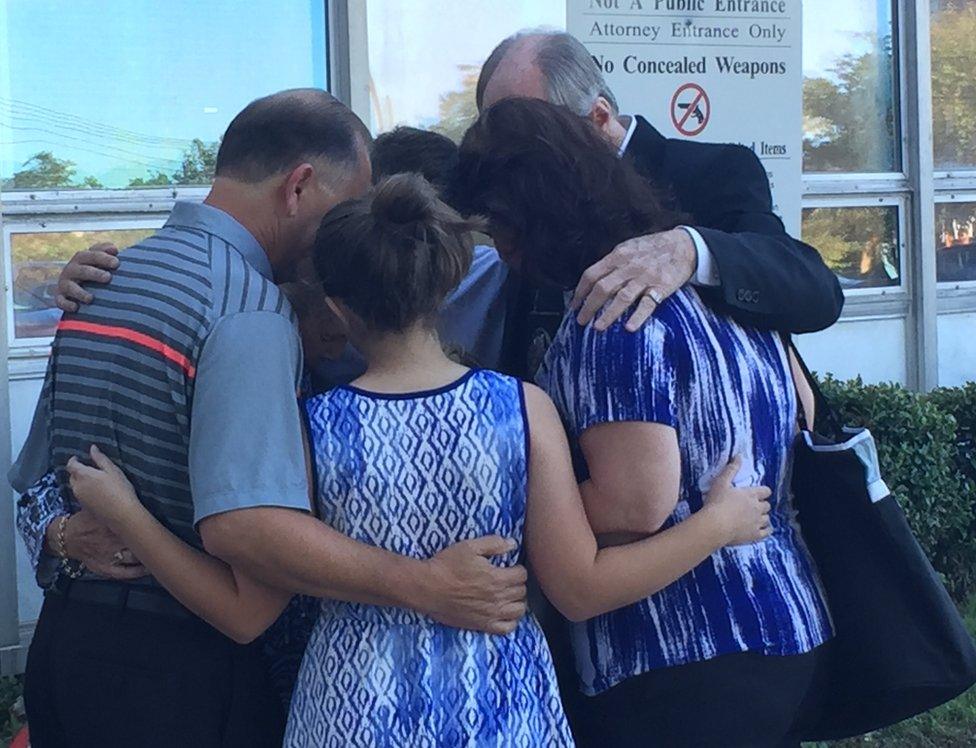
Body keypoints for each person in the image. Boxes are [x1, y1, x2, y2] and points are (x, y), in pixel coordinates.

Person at [66, 173, 774, 746]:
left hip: (346, 713)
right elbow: (582, 587)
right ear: (445, 285)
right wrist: (717, 524)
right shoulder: (523, 411)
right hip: (502, 712)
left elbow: (244, 606)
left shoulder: (307, 423)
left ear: (337, 307)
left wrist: (129, 516)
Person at [9, 90, 529, 748]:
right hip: (179, 676)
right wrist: (428, 585)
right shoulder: (248, 310)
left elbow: (35, 476)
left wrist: (61, 533)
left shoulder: (106, 280)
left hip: (65, 656)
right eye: (348, 207)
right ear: (301, 187)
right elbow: (250, 543)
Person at [457, 97, 834, 748]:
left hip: (680, 653)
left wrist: (515, 504)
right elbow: (803, 408)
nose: (503, 250)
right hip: (785, 627)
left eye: (501, 227)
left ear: (536, 215)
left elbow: (637, 502)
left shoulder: (610, 312)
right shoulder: (724, 290)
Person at [473, 29, 845, 377]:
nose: (506, 155)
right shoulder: (516, 195)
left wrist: (691, 250)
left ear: (599, 118)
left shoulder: (711, 172)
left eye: (528, 137)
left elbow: (816, 292)